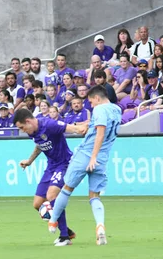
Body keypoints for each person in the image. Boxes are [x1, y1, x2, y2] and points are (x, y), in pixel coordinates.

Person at [47, 85, 122, 245]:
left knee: (67, 189)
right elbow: (100, 127)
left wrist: (92, 156)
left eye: (91, 102)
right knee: (94, 196)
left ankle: (53, 221)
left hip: (87, 155)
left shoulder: (99, 110)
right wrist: (87, 124)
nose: (91, 105)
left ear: (97, 98)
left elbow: (100, 132)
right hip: (102, 159)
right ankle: (100, 226)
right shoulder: (116, 109)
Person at [14, 108, 87, 246]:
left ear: (28, 121)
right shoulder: (33, 132)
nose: (22, 130)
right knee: (37, 204)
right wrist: (29, 161)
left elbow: (69, 128)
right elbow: (39, 145)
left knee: (52, 195)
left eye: (22, 127)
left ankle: (64, 237)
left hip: (64, 164)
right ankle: (67, 231)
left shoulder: (49, 125)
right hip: (51, 167)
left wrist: (82, 129)